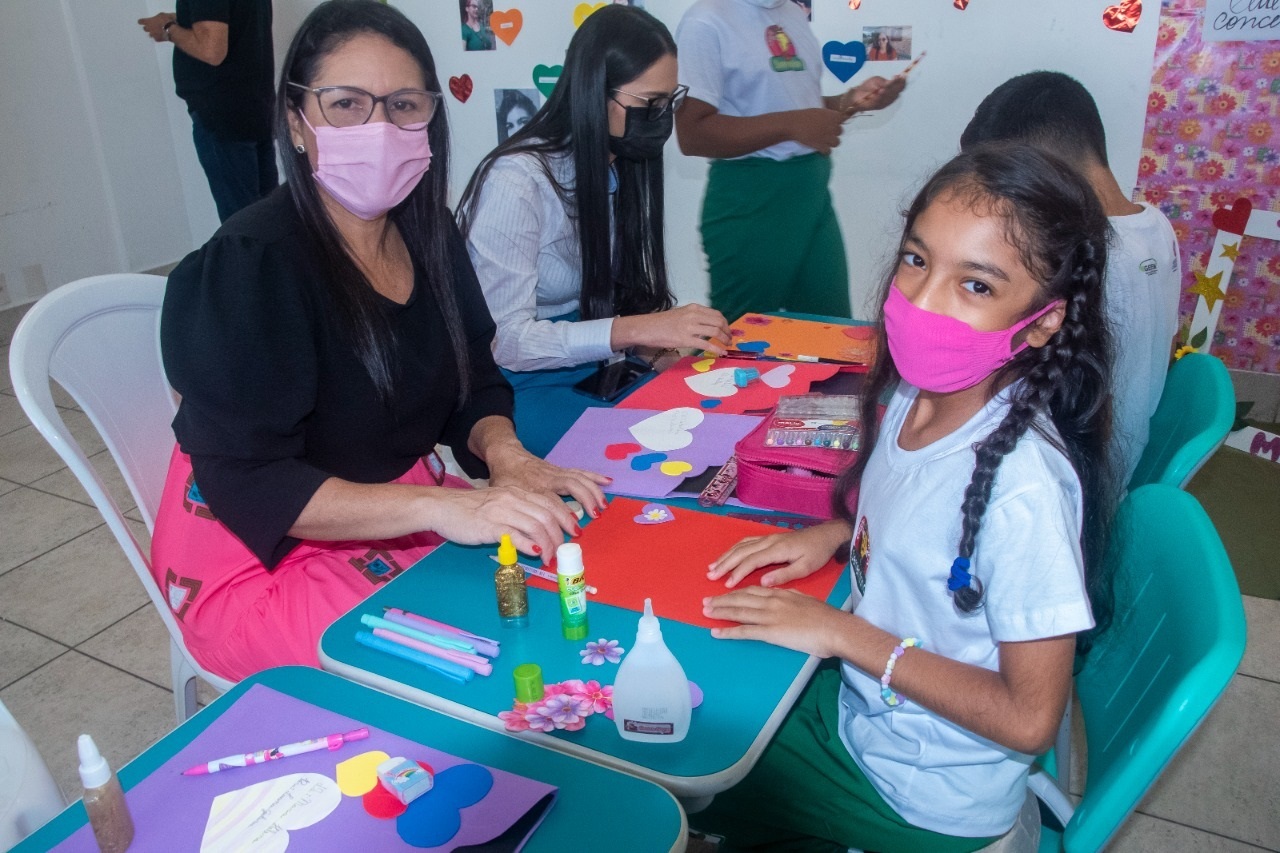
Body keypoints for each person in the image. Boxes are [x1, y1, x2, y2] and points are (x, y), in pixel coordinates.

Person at [153, 0, 607, 683]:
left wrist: (507, 456)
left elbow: (472, 385)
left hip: (390, 513)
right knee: (466, 663)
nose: (379, 127)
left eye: (402, 105)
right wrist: (446, 504)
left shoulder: (431, 238)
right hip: (257, 555)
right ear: (296, 123)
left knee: (552, 588)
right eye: (345, 105)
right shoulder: (252, 264)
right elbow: (252, 483)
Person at [694, 144, 1117, 851]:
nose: (920, 301)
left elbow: (1029, 719)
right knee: (724, 691)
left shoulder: (1023, 490)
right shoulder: (921, 395)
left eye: (976, 286)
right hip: (873, 715)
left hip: (919, 794)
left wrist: (841, 633)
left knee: (691, 765)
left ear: (1044, 321)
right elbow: (913, 510)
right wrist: (833, 534)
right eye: (917, 260)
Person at [458, 5, 731, 457]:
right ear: (594, 93)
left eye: (670, 101)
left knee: (707, 427)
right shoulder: (516, 181)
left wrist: (656, 347)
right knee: (656, 454)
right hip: (511, 388)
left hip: (595, 368)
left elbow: (610, 306)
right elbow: (506, 342)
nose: (662, 119)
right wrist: (638, 329)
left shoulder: (616, 170)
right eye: (650, 105)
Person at [960, 71, 1181, 488]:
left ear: (1043, 170)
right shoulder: (1156, 227)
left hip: (1076, 481)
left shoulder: (1091, 257)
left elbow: (1077, 405)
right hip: (1120, 459)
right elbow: (1166, 346)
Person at [675, 0, 906, 324]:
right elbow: (692, 134)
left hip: (811, 192)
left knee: (829, 330)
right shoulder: (706, 21)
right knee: (739, 337)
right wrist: (792, 124)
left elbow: (798, 107)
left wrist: (850, 101)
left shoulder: (791, 13)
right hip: (751, 199)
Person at [138, 1, 277, 223]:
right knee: (271, 218)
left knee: (244, 226)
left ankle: (246, 259)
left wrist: (168, 29)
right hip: (255, 106)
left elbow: (211, 50)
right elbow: (235, 16)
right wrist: (180, 17)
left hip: (222, 114)